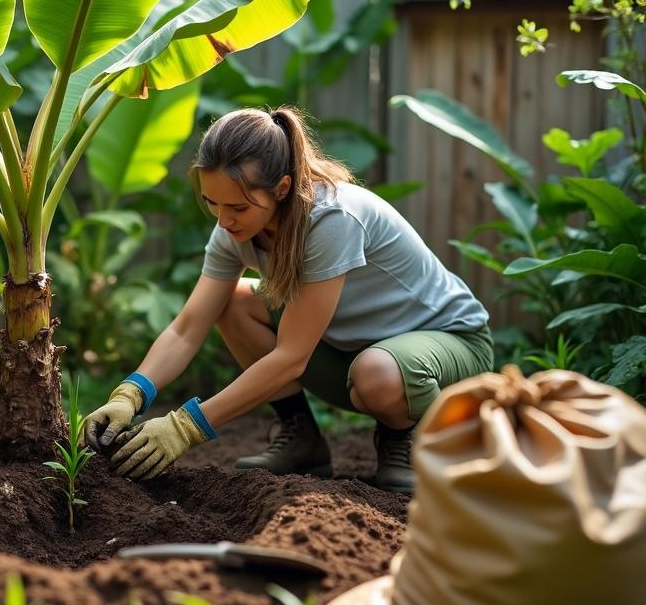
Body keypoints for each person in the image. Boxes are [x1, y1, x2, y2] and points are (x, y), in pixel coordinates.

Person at [82, 106, 492, 493]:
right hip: (357, 350)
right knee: (233, 301)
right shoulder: (235, 231)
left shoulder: (331, 219)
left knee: (376, 374)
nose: (224, 220)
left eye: (238, 206)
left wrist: (185, 427)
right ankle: (302, 439)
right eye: (212, 203)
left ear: (281, 189)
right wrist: (130, 394)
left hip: (449, 343)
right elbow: (188, 327)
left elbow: (292, 356)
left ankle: (406, 435)